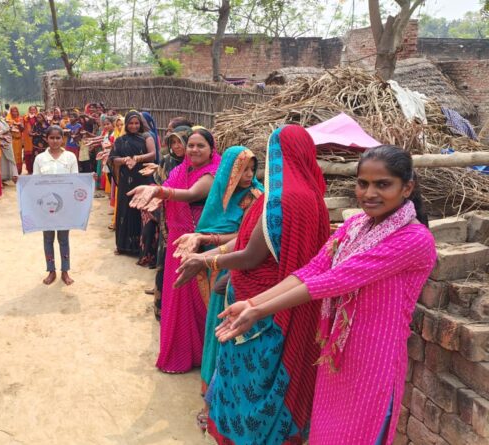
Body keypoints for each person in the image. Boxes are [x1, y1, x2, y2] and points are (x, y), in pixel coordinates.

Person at [216, 145, 435, 445]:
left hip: (373, 361)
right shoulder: (355, 226)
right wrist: (254, 302)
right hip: (337, 355)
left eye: (383, 184)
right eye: (363, 183)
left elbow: (337, 279)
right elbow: (313, 269)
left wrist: (260, 310)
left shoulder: (414, 239)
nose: (369, 193)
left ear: (406, 187)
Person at [174, 125, 330, 444]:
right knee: (276, 380)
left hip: (263, 310)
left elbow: (251, 255)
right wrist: (211, 249)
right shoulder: (311, 196)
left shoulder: (282, 200)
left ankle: (247, 435)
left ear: (278, 155)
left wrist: (207, 260)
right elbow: (247, 241)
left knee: (255, 383)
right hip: (288, 302)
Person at [173, 144, 262, 430]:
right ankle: (210, 396)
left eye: (252, 169)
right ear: (229, 173)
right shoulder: (220, 198)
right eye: (242, 170)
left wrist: (206, 241)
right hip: (217, 268)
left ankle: (217, 402)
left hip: (241, 269)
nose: (248, 175)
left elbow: (248, 238)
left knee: (230, 335)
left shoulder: (256, 198)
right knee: (217, 328)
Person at [128, 128, 221, 373]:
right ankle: (183, 349)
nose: (194, 150)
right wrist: (156, 198)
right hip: (177, 239)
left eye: (200, 145)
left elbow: (192, 194)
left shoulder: (212, 173)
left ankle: (201, 352)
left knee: (197, 297)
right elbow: (169, 187)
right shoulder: (181, 169)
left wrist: (159, 191)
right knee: (178, 294)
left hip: (199, 240)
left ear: (212, 148)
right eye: (190, 145)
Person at [150, 126, 190, 320]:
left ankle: (181, 312)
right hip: (167, 219)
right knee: (165, 262)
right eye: (172, 142)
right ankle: (162, 308)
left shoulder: (197, 165)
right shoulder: (166, 162)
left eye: (180, 142)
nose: (176, 146)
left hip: (189, 222)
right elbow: (158, 185)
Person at [32, 125, 79, 286]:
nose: (55, 141)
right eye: (51, 138)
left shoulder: (70, 157)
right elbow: (35, 182)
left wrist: (89, 180)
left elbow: (76, 181)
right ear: (46, 139)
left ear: (63, 139)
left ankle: (65, 271)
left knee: (64, 239)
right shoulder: (40, 159)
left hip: (65, 206)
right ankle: (51, 270)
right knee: (48, 239)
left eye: (58, 137)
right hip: (47, 206)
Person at [108, 111, 156, 255]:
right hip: (125, 180)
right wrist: (124, 160)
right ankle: (123, 246)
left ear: (140, 124)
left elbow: (152, 155)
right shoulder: (120, 140)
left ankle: (140, 247)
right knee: (125, 210)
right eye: (130, 123)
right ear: (126, 124)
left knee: (140, 210)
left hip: (142, 178)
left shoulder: (147, 137)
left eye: (136, 123)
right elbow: (113, 158)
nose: (134, 126)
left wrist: (137, 158)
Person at [0, 104, 18, 183]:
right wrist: (6, 130)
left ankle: (11, 175)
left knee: (10, 158)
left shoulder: (1, 120)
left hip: (8, 141)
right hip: (1, 142)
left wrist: (8, 129)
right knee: (2, 160)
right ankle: (3, 177)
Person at [7, 106, 25, 173]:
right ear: (10, 112)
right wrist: (11, 125)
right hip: (12, 140)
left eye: (16, 111)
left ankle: (19, 171)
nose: (14, 113)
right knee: (13, 155)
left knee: (19, 155)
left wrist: (20, 125)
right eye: (13, 111)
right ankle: (13, 171)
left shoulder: (20, 119)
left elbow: (22, 129)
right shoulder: (8, 119)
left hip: (19, 140)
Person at [23, 105, 38, 174]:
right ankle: (29, 170)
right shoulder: (25, 118)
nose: (32, 111)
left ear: (36, 110)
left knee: (36, 154)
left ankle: (36, 170)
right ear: (29, 111)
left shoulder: (39, 117)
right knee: (28, 155)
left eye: (34, 110)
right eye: (31, 110)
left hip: (36, 139)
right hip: (27, 139)